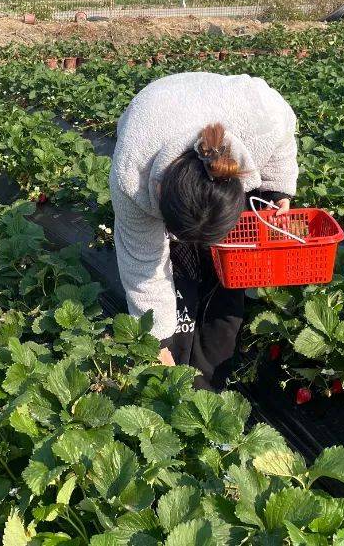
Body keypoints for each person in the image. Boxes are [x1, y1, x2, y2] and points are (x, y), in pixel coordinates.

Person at [109, 71, 298, 391]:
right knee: (179, 281)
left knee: (229, 276)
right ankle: (181, 372)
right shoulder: (132, 176)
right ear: (157, 190)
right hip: (157, 111)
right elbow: (144, 270)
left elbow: (283, 129)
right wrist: (157, 344)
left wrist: (279, 189)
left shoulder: (261, 117)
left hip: (232, 116)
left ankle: (210, 383)